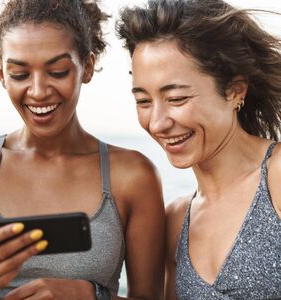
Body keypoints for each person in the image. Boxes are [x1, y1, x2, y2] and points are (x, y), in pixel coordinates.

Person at [0, 0, 165, 299]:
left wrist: (89, 295)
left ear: (86, 67)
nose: (38, 91)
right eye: (20, 74)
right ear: (1, 73)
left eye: (58, 71)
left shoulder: (132, 175)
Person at [116, 0, 281, 299]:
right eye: (143, 101)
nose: (157, 122)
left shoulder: (277, 178)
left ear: (234, 91)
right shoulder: (177, 220)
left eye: (177, 99)